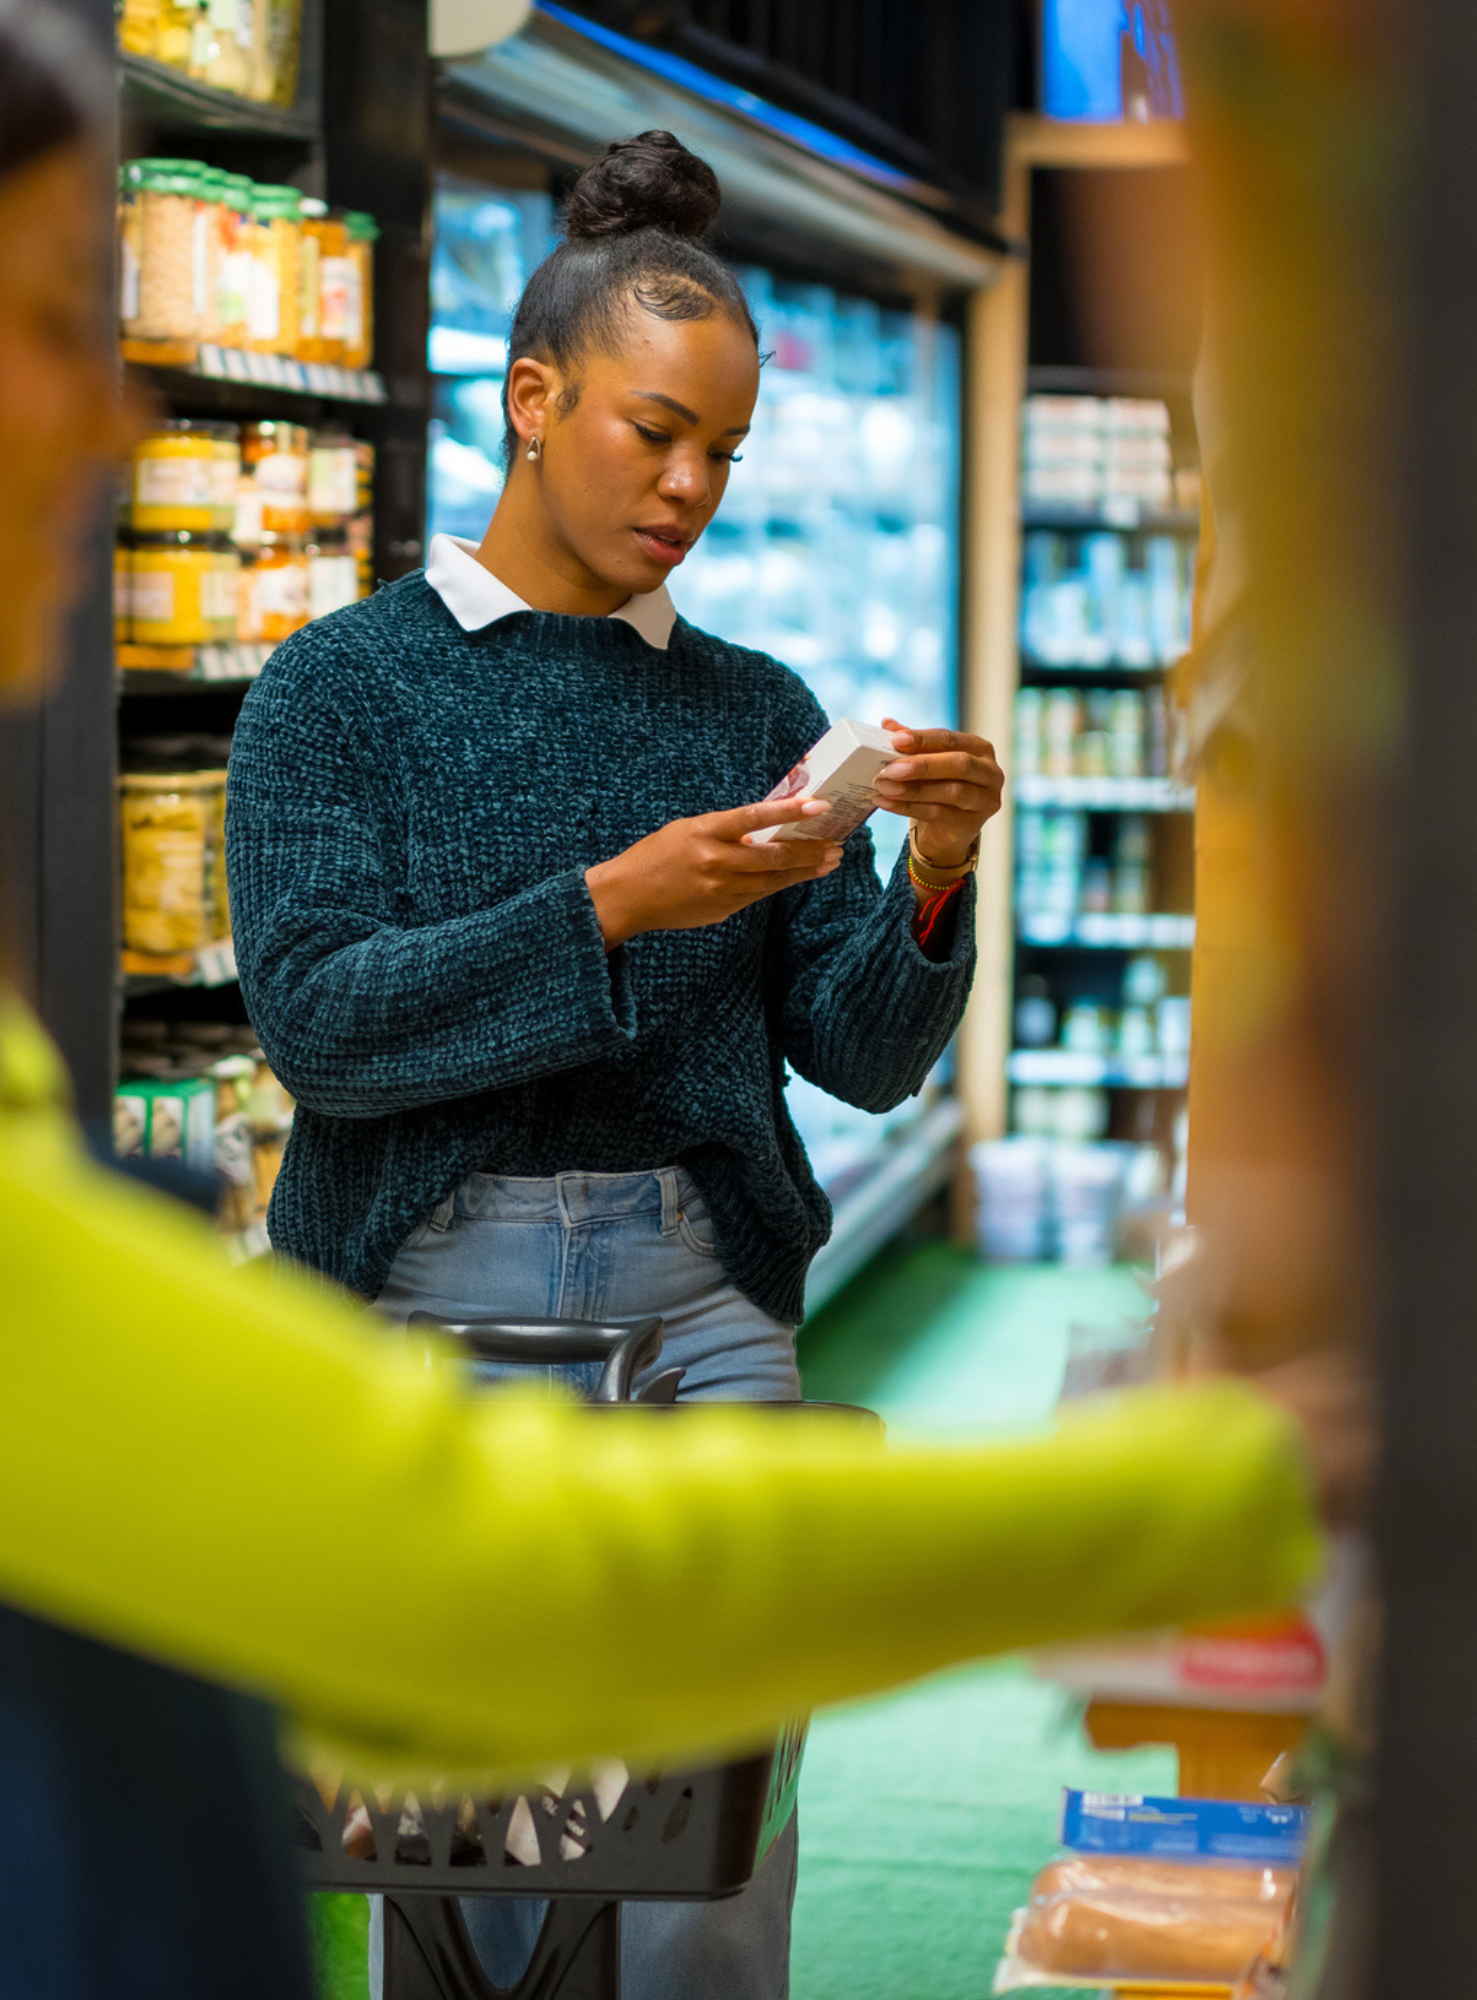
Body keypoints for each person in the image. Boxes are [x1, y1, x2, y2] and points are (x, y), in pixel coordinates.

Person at [0, 7, 1331, 1997]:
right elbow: (449, 1566)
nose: (120, 425)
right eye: (41, 324)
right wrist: (1234, 1481)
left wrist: (928, 879)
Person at [223, 132, 1002, 1994]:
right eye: (656, 433)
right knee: (472, 1851)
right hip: (426, 1297)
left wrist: (935, 873)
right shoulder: (335, 693)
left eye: (725, 455)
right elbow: (322, 1023)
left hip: (702, 1298)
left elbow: (868, 1057)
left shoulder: (756, 710)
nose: (691, 489)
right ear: (529, 395)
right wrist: (612, 910)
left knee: (707, 1851)